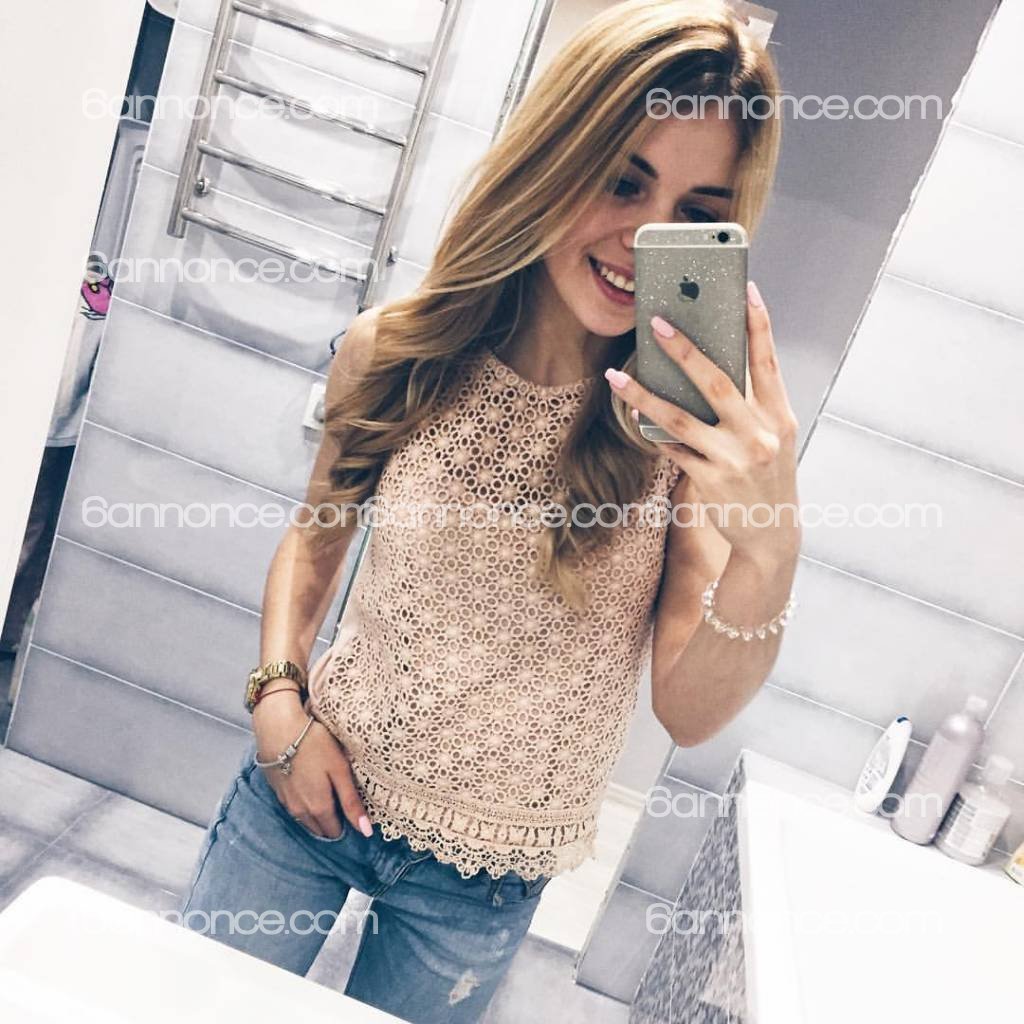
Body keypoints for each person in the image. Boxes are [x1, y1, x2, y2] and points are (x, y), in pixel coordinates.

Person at [178, 2, 801, 1020]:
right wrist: (277, 702)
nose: (645, 237)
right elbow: (318, 531)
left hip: (485, 883)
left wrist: (771, 552)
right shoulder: (400, 350)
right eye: (622, 180)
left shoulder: (679, 438)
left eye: (695, 214)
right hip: (310, 793)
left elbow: (687, 711)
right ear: (555, 156)